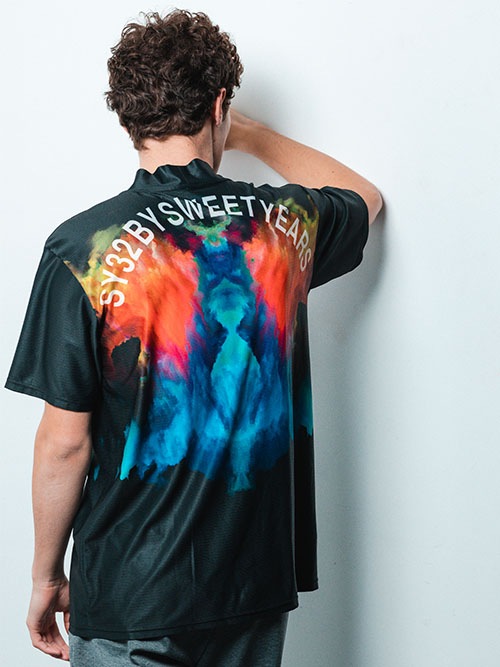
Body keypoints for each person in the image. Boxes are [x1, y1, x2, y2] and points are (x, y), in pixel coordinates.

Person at [5, 9, 382, 667]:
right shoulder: (279, 228)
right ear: (217, 104)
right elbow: (364, 198)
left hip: (131, 591)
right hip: (252, 589)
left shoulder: (84, 249)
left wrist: (45, 575)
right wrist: (249, 134)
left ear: (127, 120)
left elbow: (64, 442)